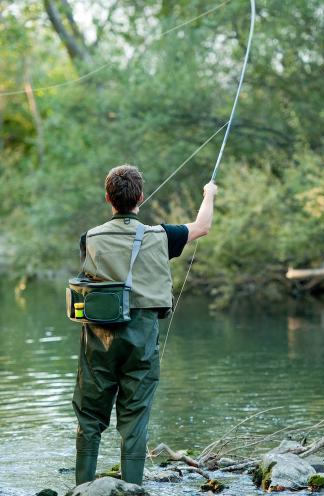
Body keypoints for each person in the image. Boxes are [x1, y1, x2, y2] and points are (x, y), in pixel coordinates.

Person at [72, 164, 217, 486]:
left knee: (89, 416)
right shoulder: (162, 236)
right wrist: (209, 194)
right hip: (142, 334)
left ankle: (82, 489)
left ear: (108, 197)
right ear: (140, 196)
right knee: (134, 417)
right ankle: (132, 489)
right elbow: (203, 226)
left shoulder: (89, 238)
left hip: (98, 337)